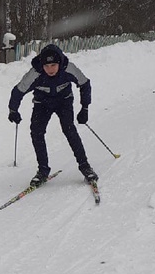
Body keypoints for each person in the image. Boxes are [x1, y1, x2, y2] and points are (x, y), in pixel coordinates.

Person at [8, 42, 97, 187]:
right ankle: (43, 170)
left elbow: (85, 84)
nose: (50, 69)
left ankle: (85, 166)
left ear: (59, 63)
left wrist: (85, 108)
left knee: (69, 130)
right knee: (36, 132)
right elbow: (18, 91)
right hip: (42, 104)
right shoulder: (35, 73)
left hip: (64, 102)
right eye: (46, 66)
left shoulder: (68, 68)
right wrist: (13, 110)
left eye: (53, 65)